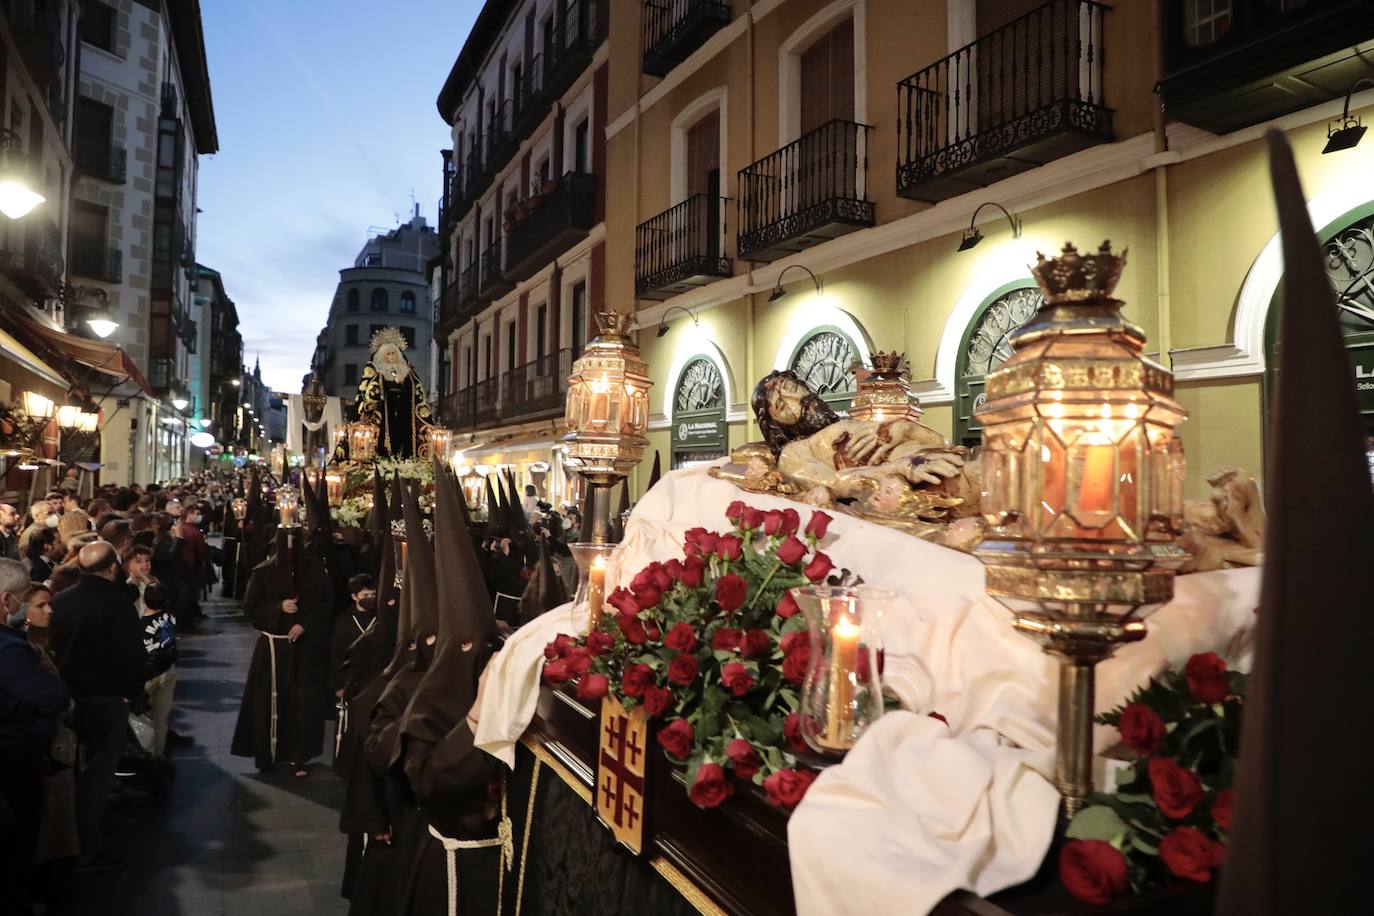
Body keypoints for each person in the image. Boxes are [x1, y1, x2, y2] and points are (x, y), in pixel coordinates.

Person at [48, 541, 147, 868]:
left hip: (69, 699)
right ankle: (89, 843)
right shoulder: (118, 604)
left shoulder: (59, 602)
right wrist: (131, 696)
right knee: (98, 774)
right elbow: (133, 656)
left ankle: (72, 838)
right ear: (113, 568)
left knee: (76, 771)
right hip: (109, 699)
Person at [230, 527, 333, 776]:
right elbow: (250, 606)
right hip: (272, 649)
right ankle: (267, 754)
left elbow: (326, 604)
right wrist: (278, 608)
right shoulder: (263, 572)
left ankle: (299, 756)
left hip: (304, 650)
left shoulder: (316, 571)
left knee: (302, 703)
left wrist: (304, 624)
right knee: (268, 701)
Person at [0, 558, 72, 909]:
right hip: (15, 754)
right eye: (22, 597)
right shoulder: (10, 650)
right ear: (6, 602)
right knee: (20, 837)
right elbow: (52, 696)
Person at [139, 583, 178, 758]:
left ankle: (146, 753)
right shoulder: (169, 616)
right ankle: (158, 755)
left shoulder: (140, 626)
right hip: (168, 670)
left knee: (144, 718)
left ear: (143, 600)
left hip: (147, 676)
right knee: (161, 718)